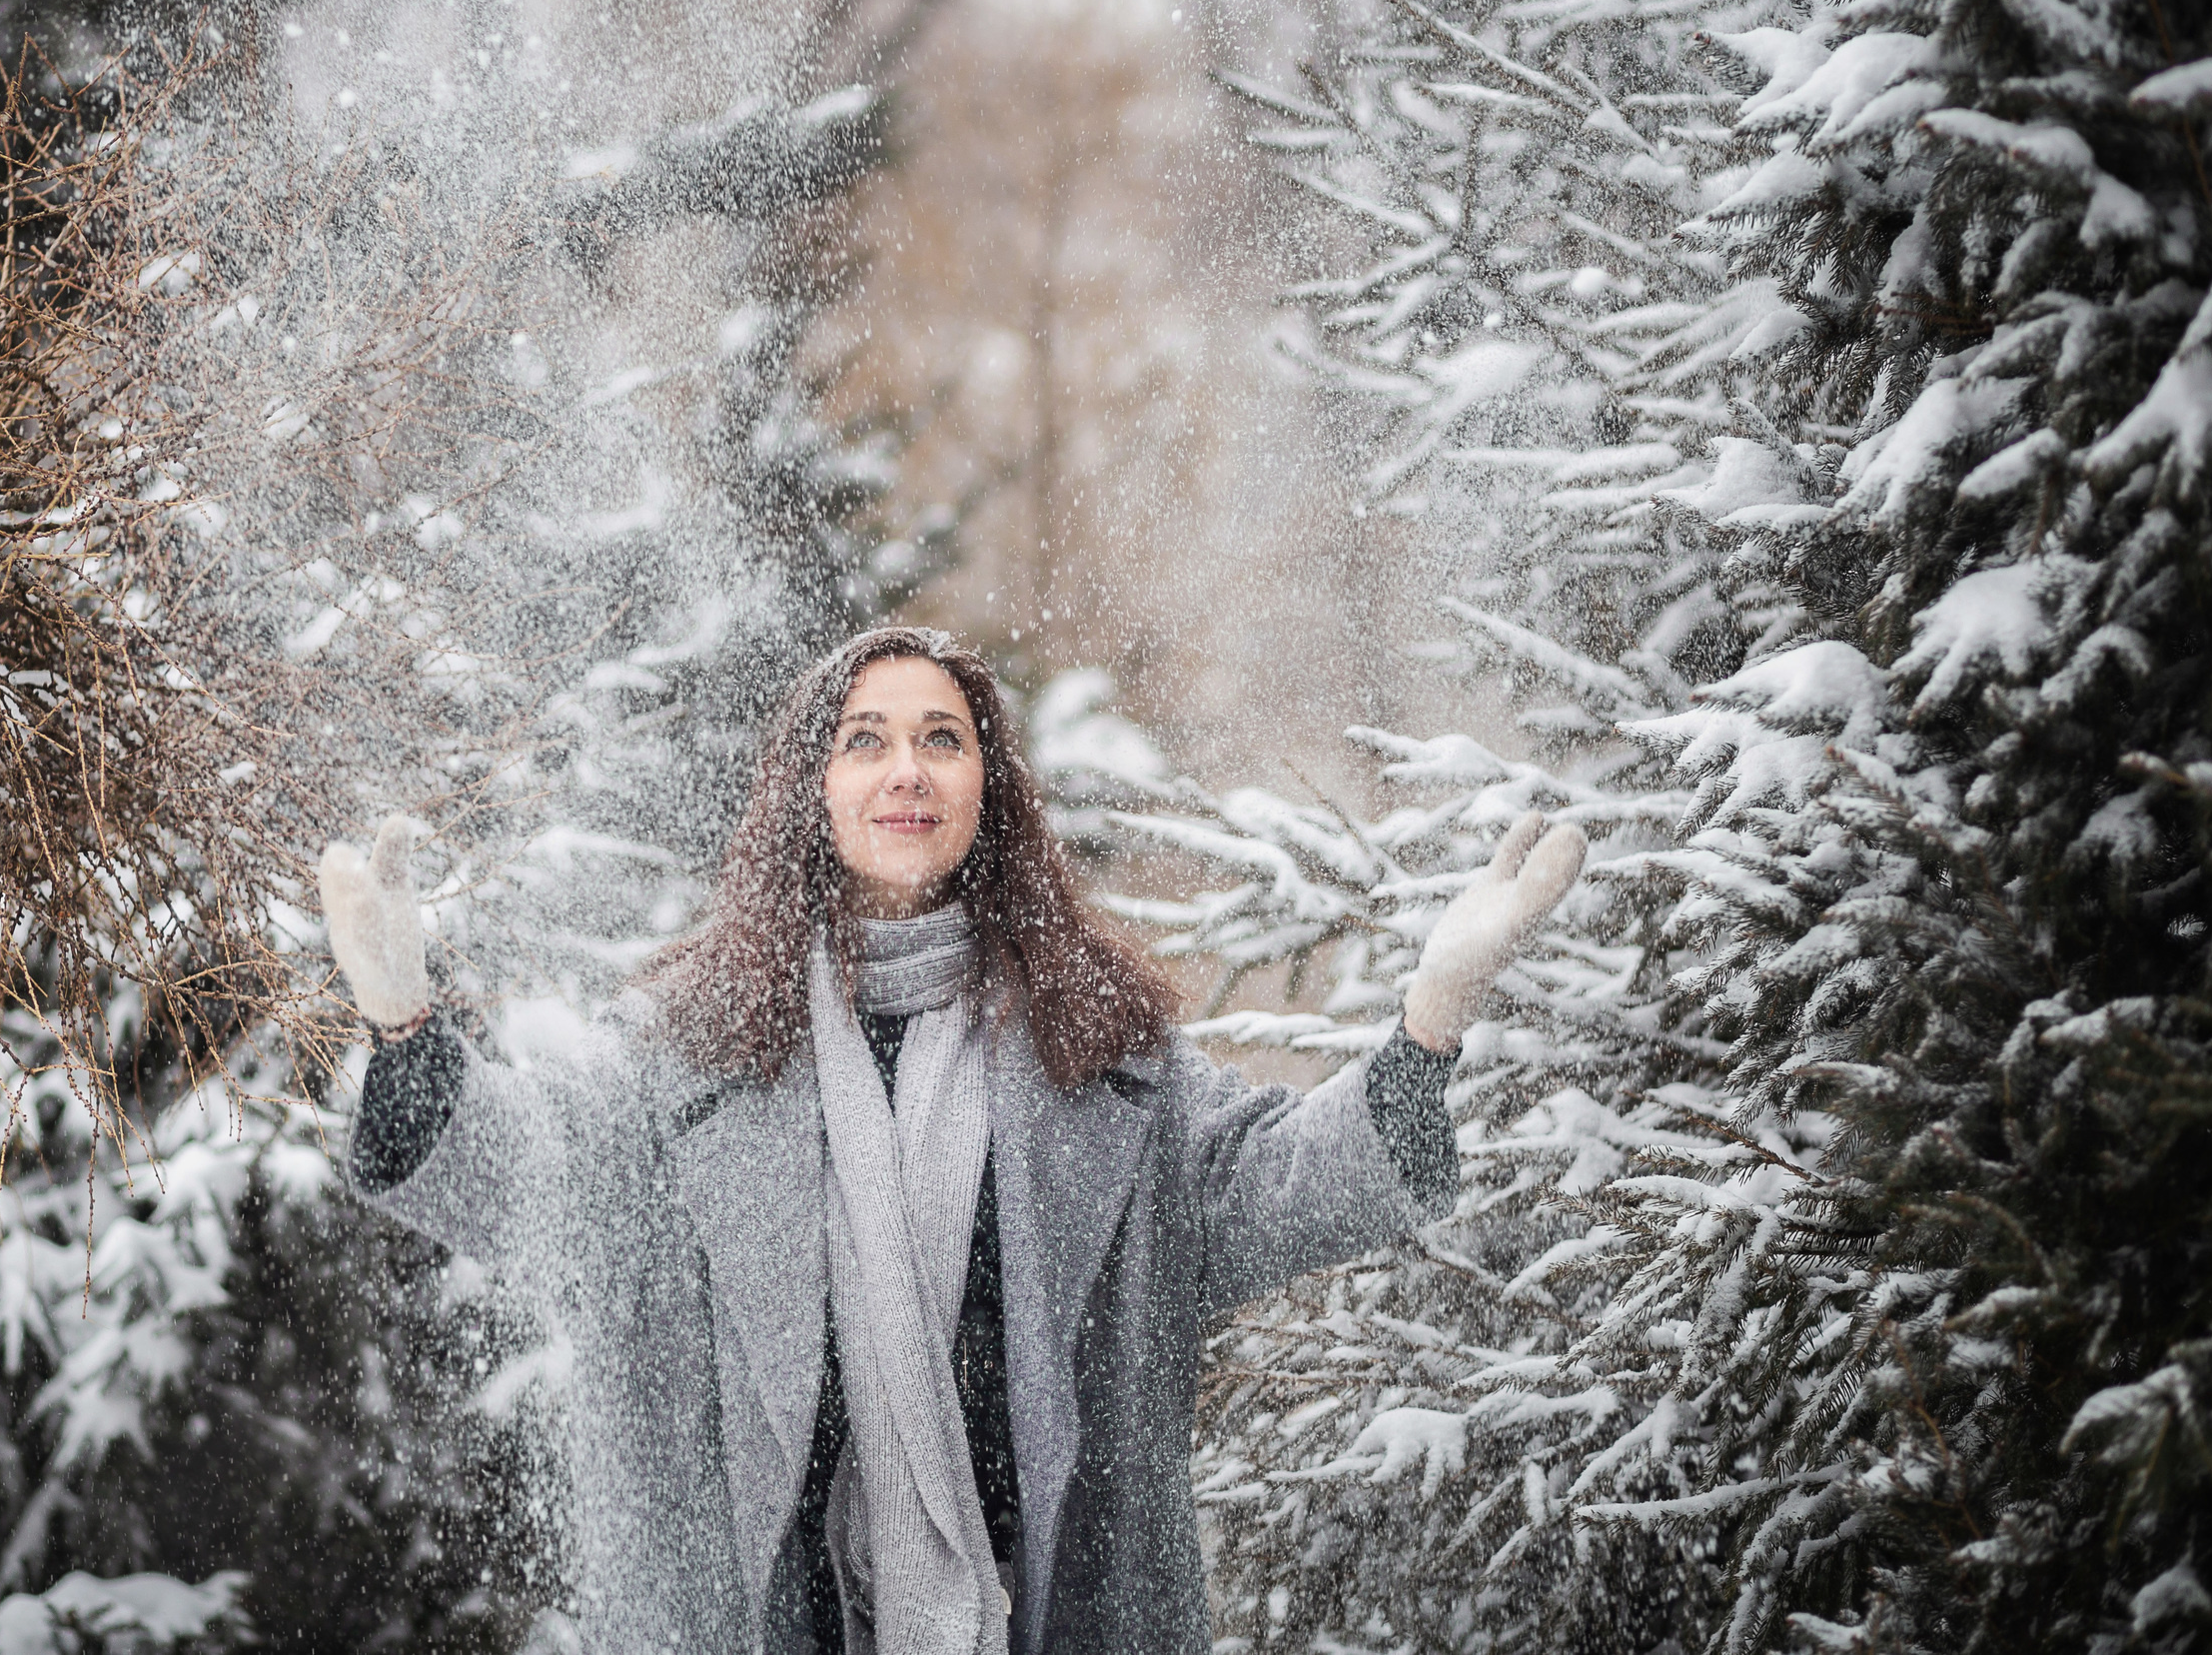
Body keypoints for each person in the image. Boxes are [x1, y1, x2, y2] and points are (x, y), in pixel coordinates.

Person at [317, 626, 1586, 1655]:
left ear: (990, 787)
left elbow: (1283, 1188)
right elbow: (532, 1189)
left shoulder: (1104, 1056)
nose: (905, 769)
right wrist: (405, 1022)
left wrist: (1432, 1013)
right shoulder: (683, 1053)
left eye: (942, 738)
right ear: (813, 789)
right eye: (864, 741)